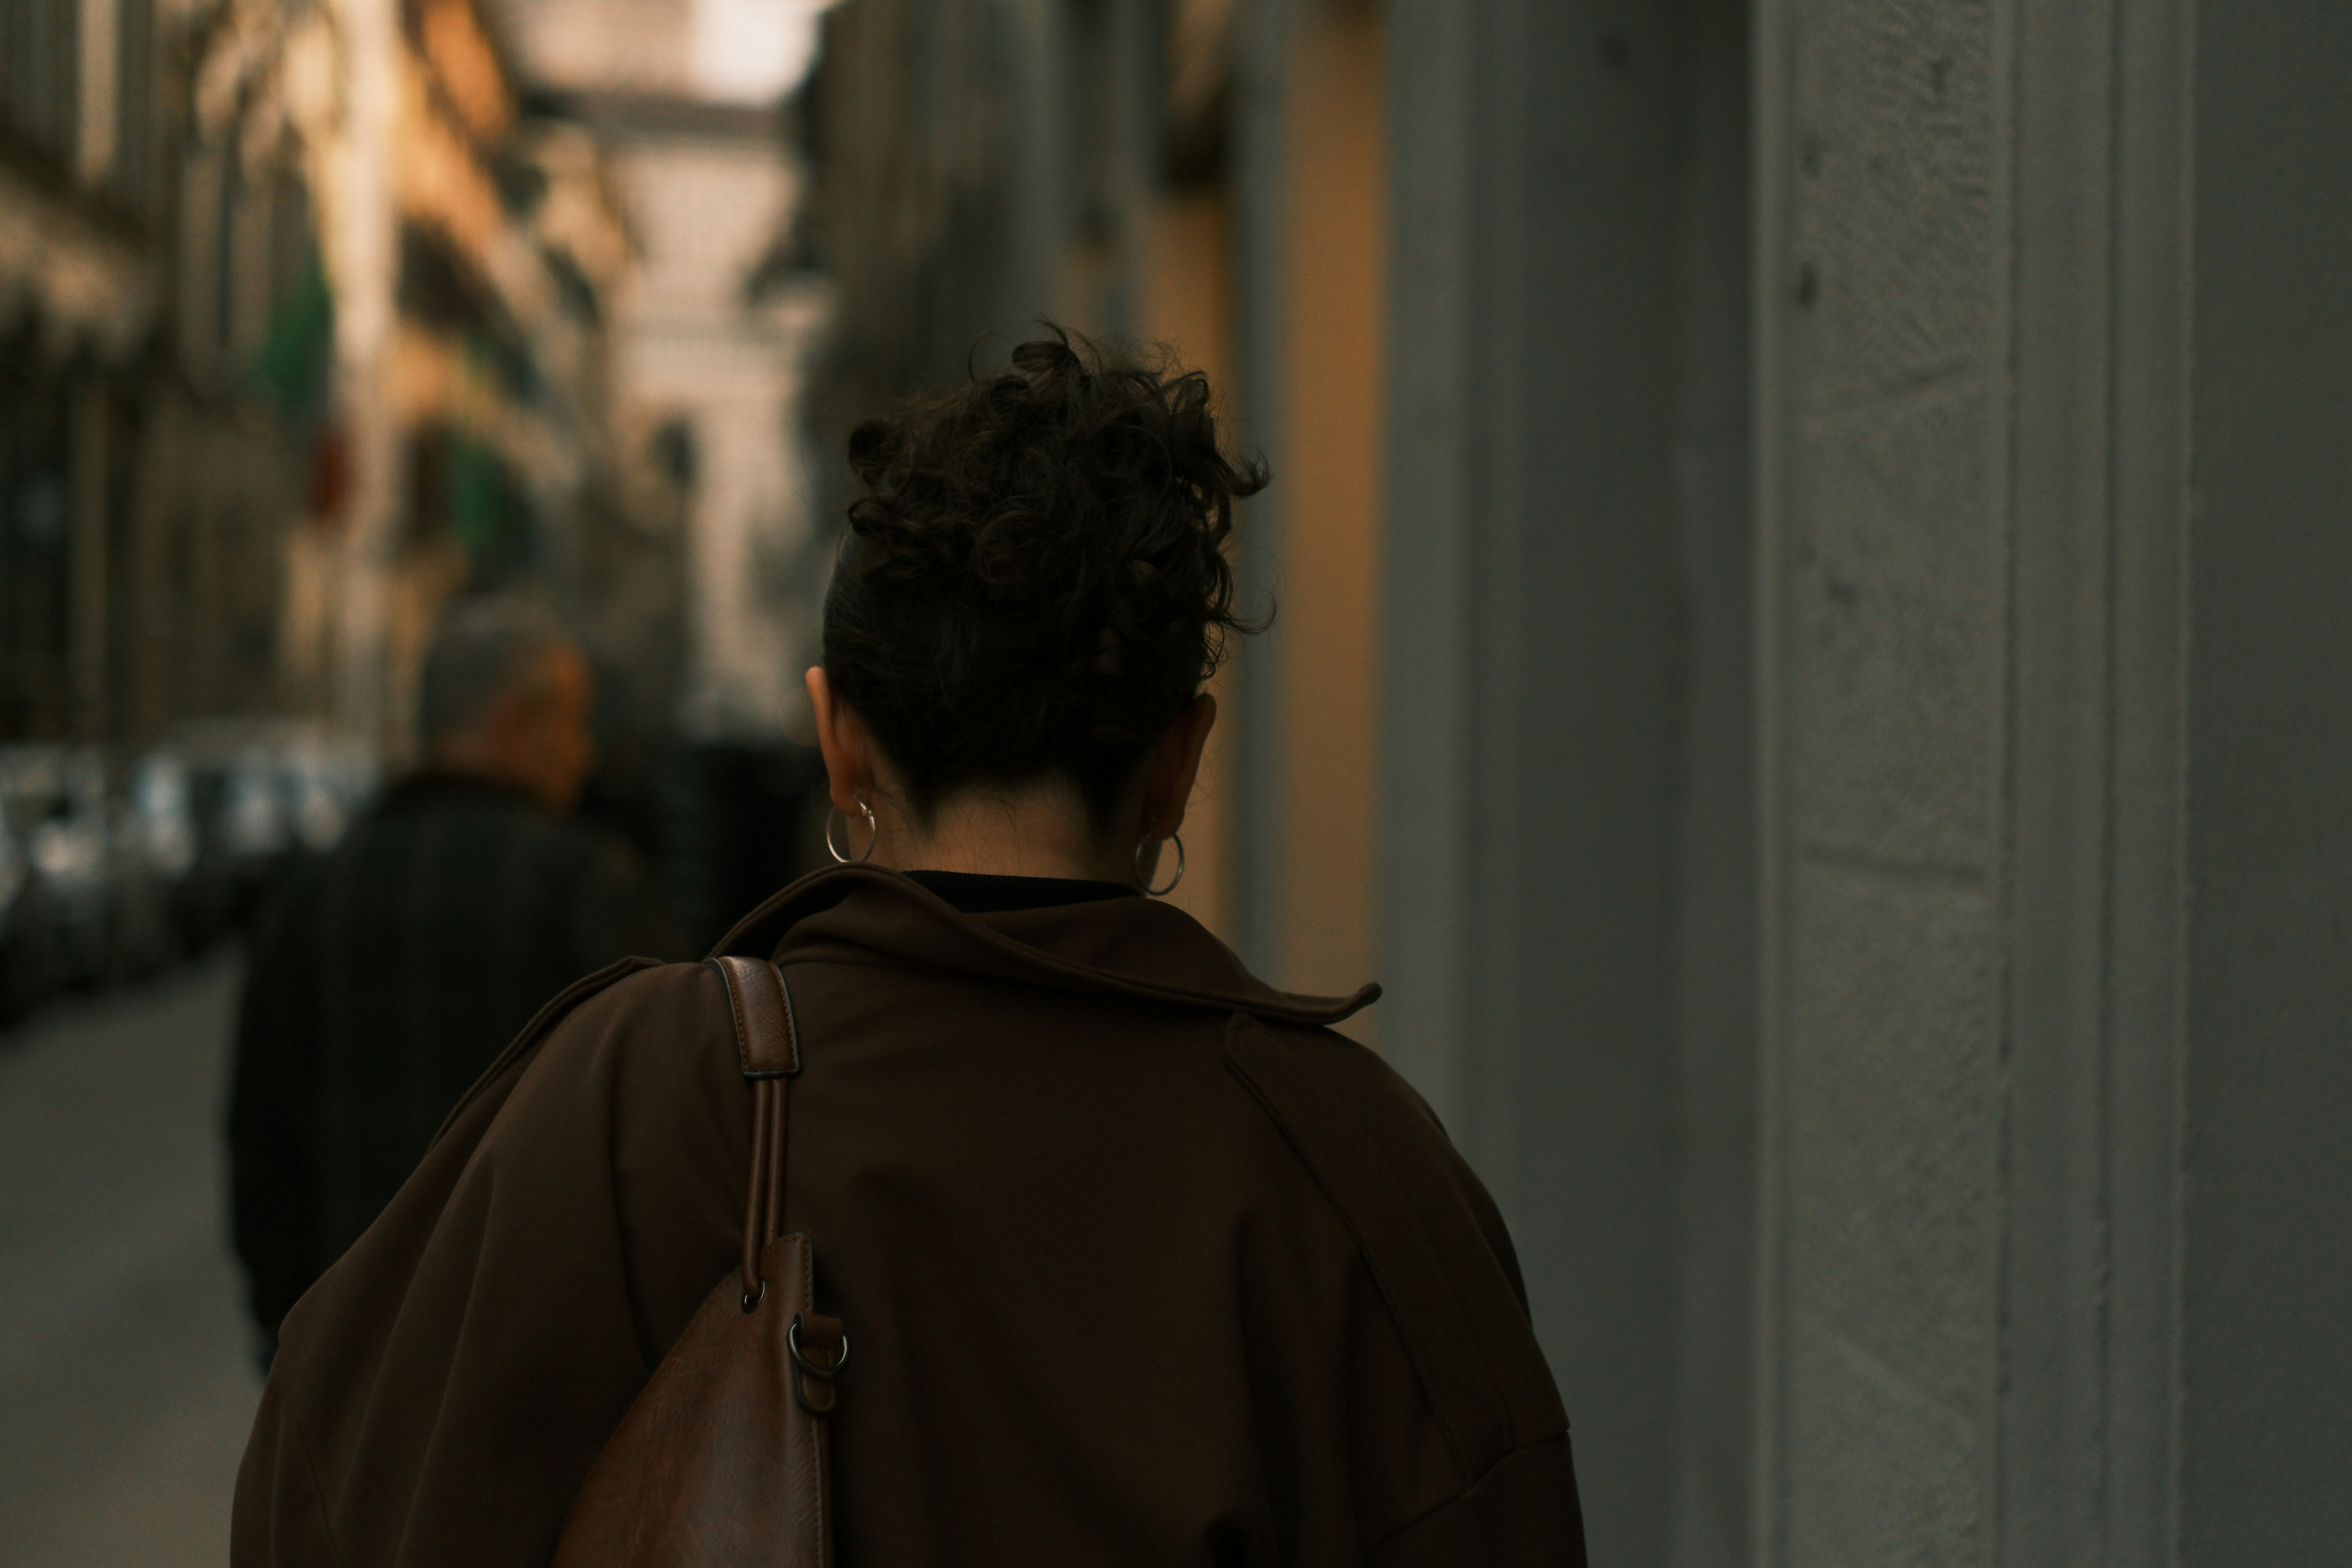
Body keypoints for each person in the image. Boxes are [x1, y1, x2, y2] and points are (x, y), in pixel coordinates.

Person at [232, 334, 1587, 1565]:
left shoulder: (640, 1095)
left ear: (841, 740)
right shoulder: (1364, 1172)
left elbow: (323, 1495)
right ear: (1177, 762)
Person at [227, 599, 684, 1345]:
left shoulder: (314, 898)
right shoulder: (585, 887)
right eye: (572, 724)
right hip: (543, 1377)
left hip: (353, 1368)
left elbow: (263, 1157)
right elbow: (670, 1135)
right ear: (513, 723)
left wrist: (292, 1344)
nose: (584, 754)